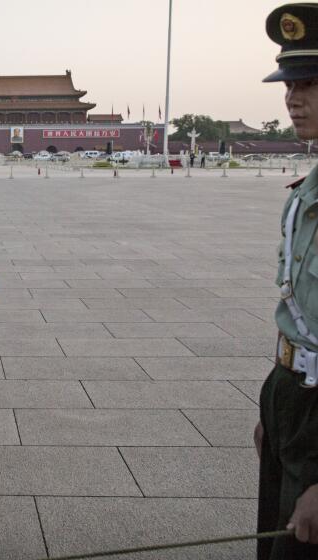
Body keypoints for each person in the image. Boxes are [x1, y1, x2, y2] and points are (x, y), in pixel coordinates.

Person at [255, 4, 318, 558]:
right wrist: (273, 411)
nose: (293, 98)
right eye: (290, 84)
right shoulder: (308, 189)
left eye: (311, 84)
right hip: (292, 395)